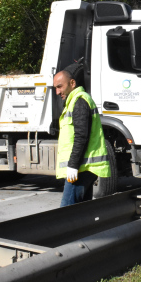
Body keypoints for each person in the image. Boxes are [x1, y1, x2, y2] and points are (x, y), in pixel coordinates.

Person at [53, 68, 111, 207]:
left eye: (60, 86)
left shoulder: (79, 101)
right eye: (55, 88)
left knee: (66, 212)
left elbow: (81, 136)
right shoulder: (76, 101)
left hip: (81, 168)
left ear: (72, 83)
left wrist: (73, 166)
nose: (57, 92)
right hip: (83, 167)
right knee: (82, 211)